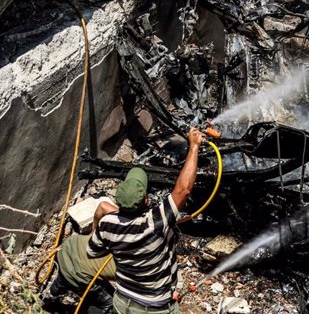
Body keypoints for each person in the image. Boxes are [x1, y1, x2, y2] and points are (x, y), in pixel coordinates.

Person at [87, 127, 205, 313]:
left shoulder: (107, 225)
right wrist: (194, 147)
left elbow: (92, 252)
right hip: (153, 308)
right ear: (146, 200)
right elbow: (183, 190)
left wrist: (100, 221)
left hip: (122, 301)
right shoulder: (154, 222)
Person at [41, 233, 116, 313]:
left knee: (68, 274)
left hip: (70, 245)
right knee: (114, 307)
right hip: (77, 273)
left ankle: (51, 294)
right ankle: (61, 308)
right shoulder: (129, 270)